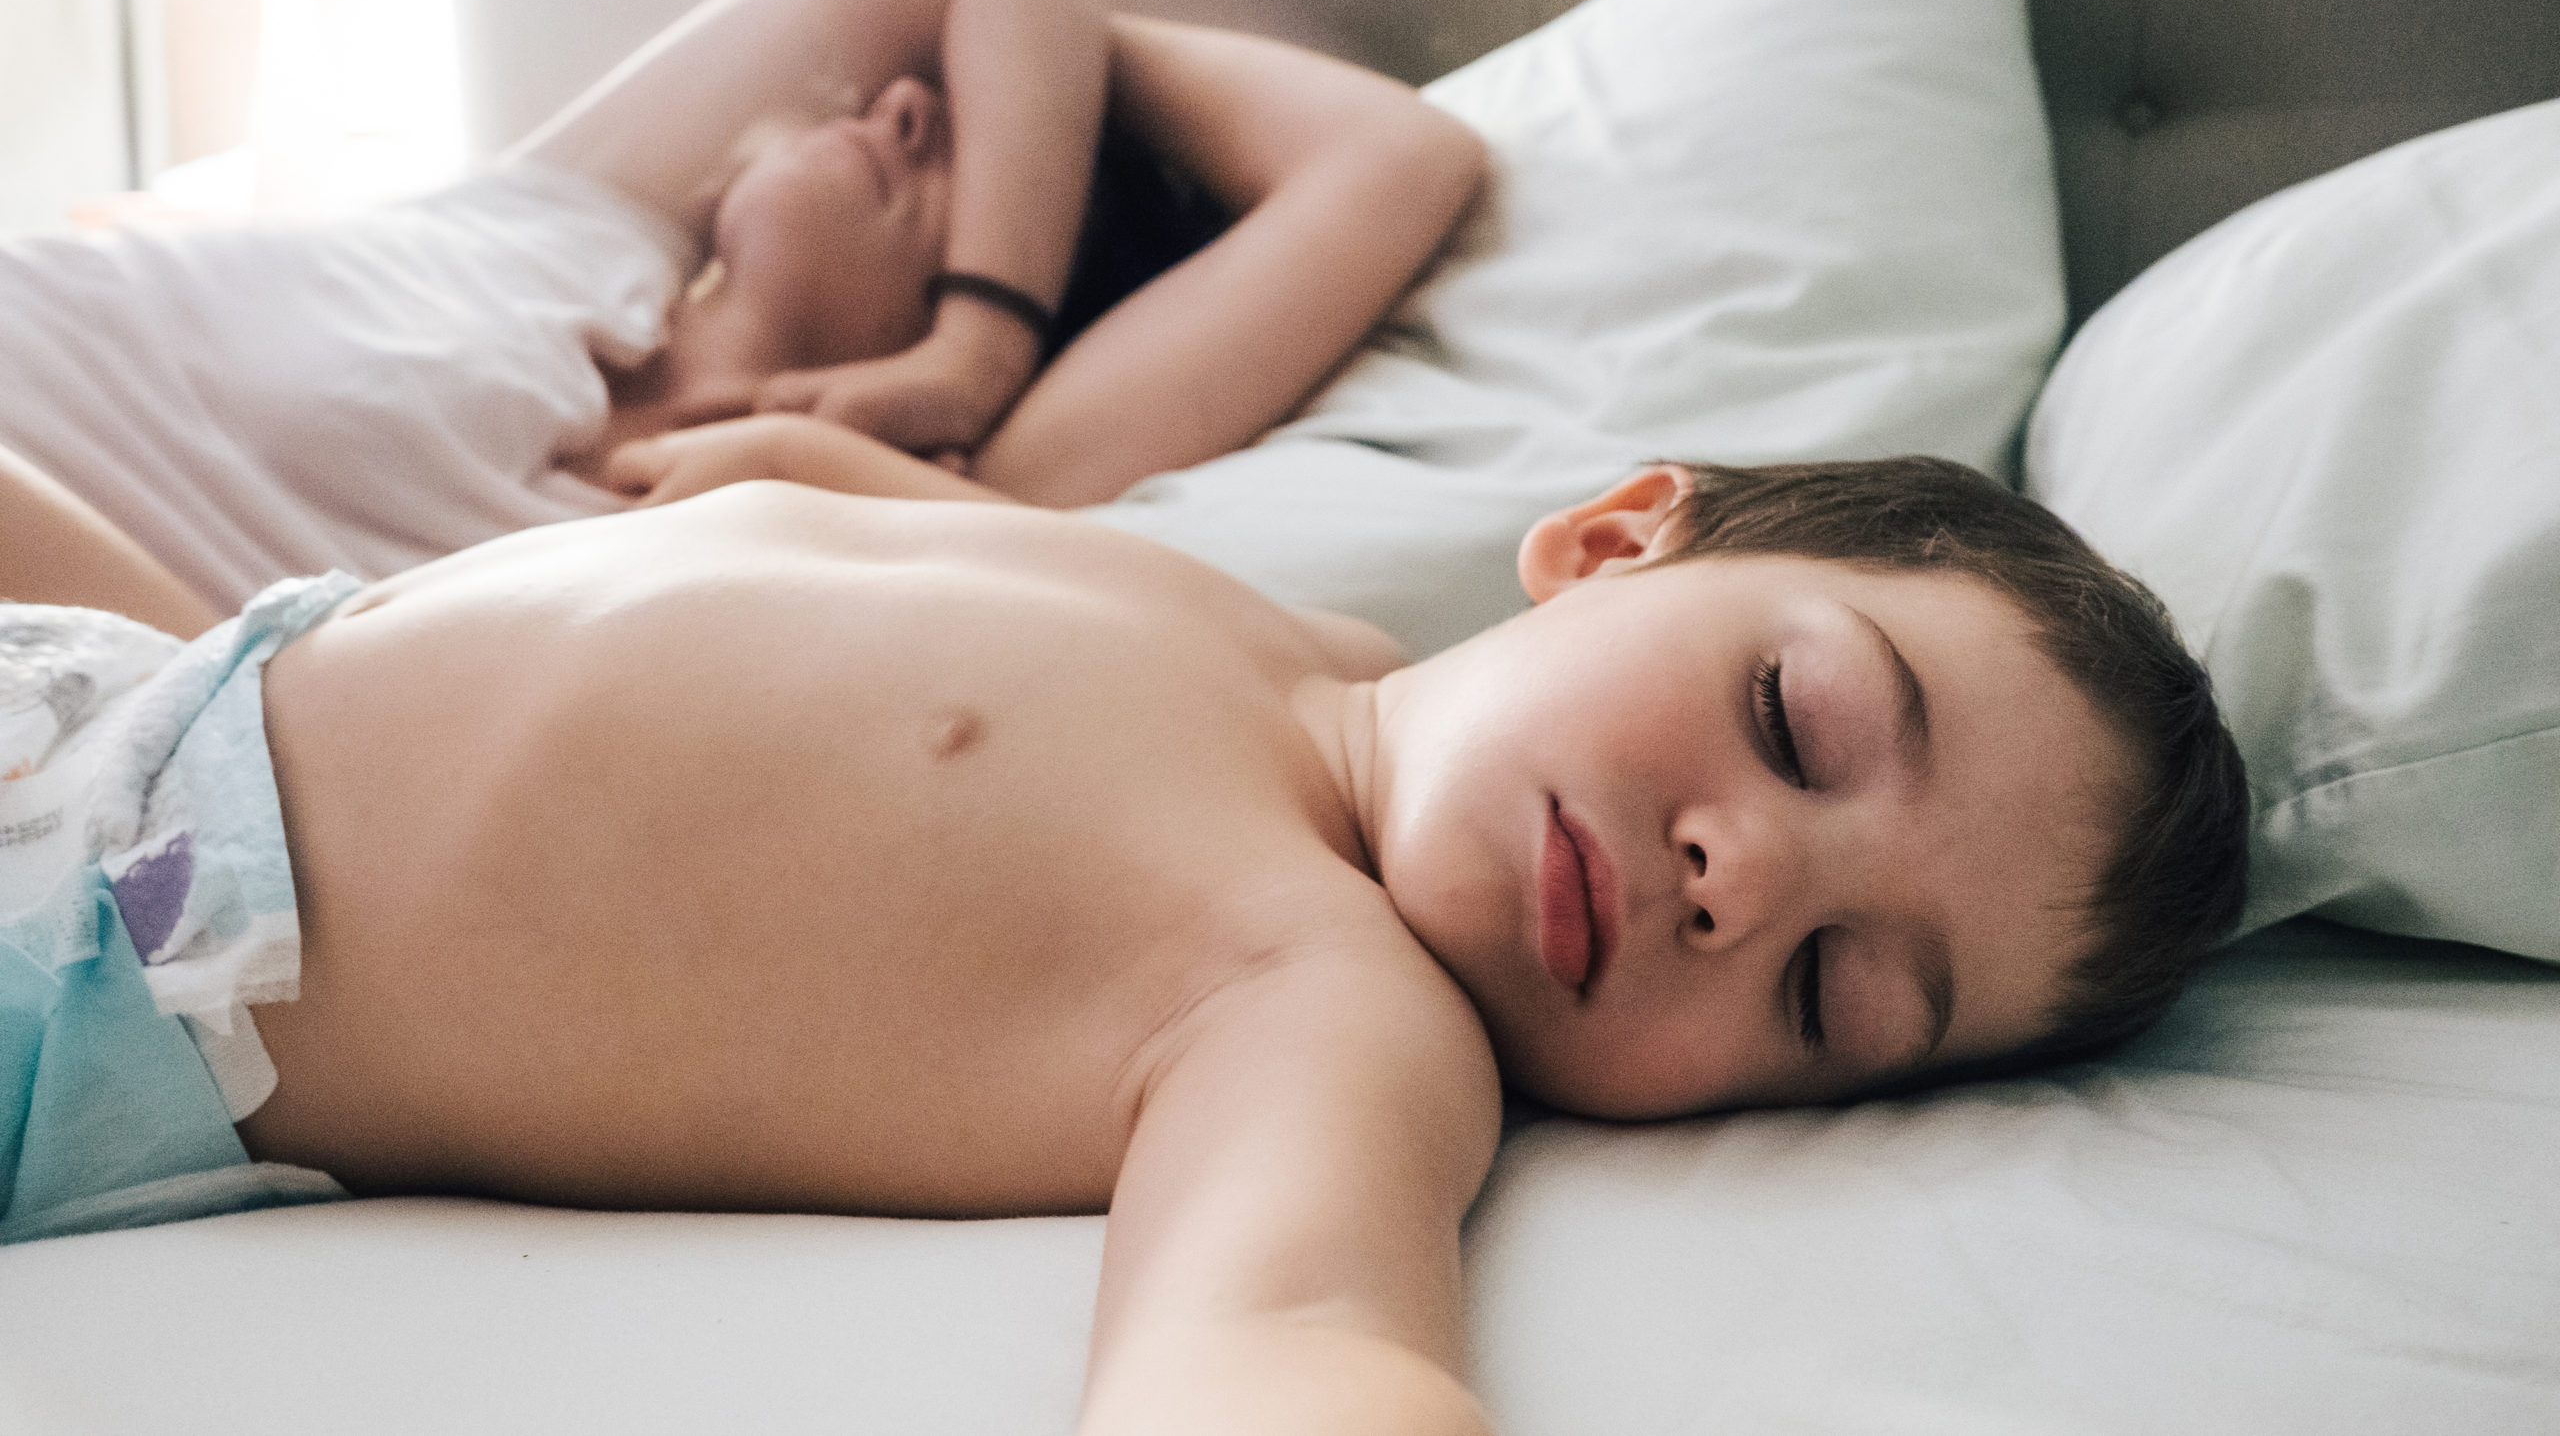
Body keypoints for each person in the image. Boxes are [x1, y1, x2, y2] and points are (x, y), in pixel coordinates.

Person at [0, 441, 2249, 1434]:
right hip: (167, 670)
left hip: (102, 942)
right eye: (1793, 718)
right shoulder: (1282, 628)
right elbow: (891, 552)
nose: (1736, 880)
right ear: (1610, 537)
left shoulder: (1330, 1001)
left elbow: (1276, 1333)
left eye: (1828, 996)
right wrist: (791, 442)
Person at [0, 0, 1486, 613]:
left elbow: (1396, 158)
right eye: (921, 81)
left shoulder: (913, 492)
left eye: (963, 138)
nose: (902, 105)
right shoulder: (573, 217)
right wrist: (980, 312)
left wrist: (984, 354)